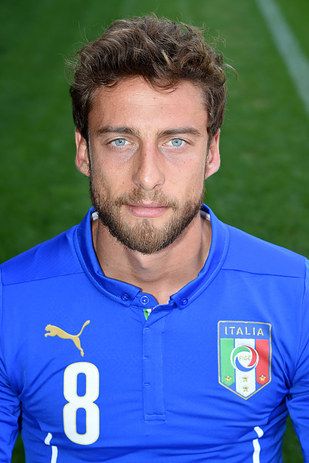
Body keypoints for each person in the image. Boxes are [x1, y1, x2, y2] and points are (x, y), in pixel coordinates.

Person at [0, 15, 308, 463]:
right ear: (85, 152)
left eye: (176, 142)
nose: (147, 177)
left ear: (213, 152)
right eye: (121, 141)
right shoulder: (8, 302)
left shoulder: (297, 294)